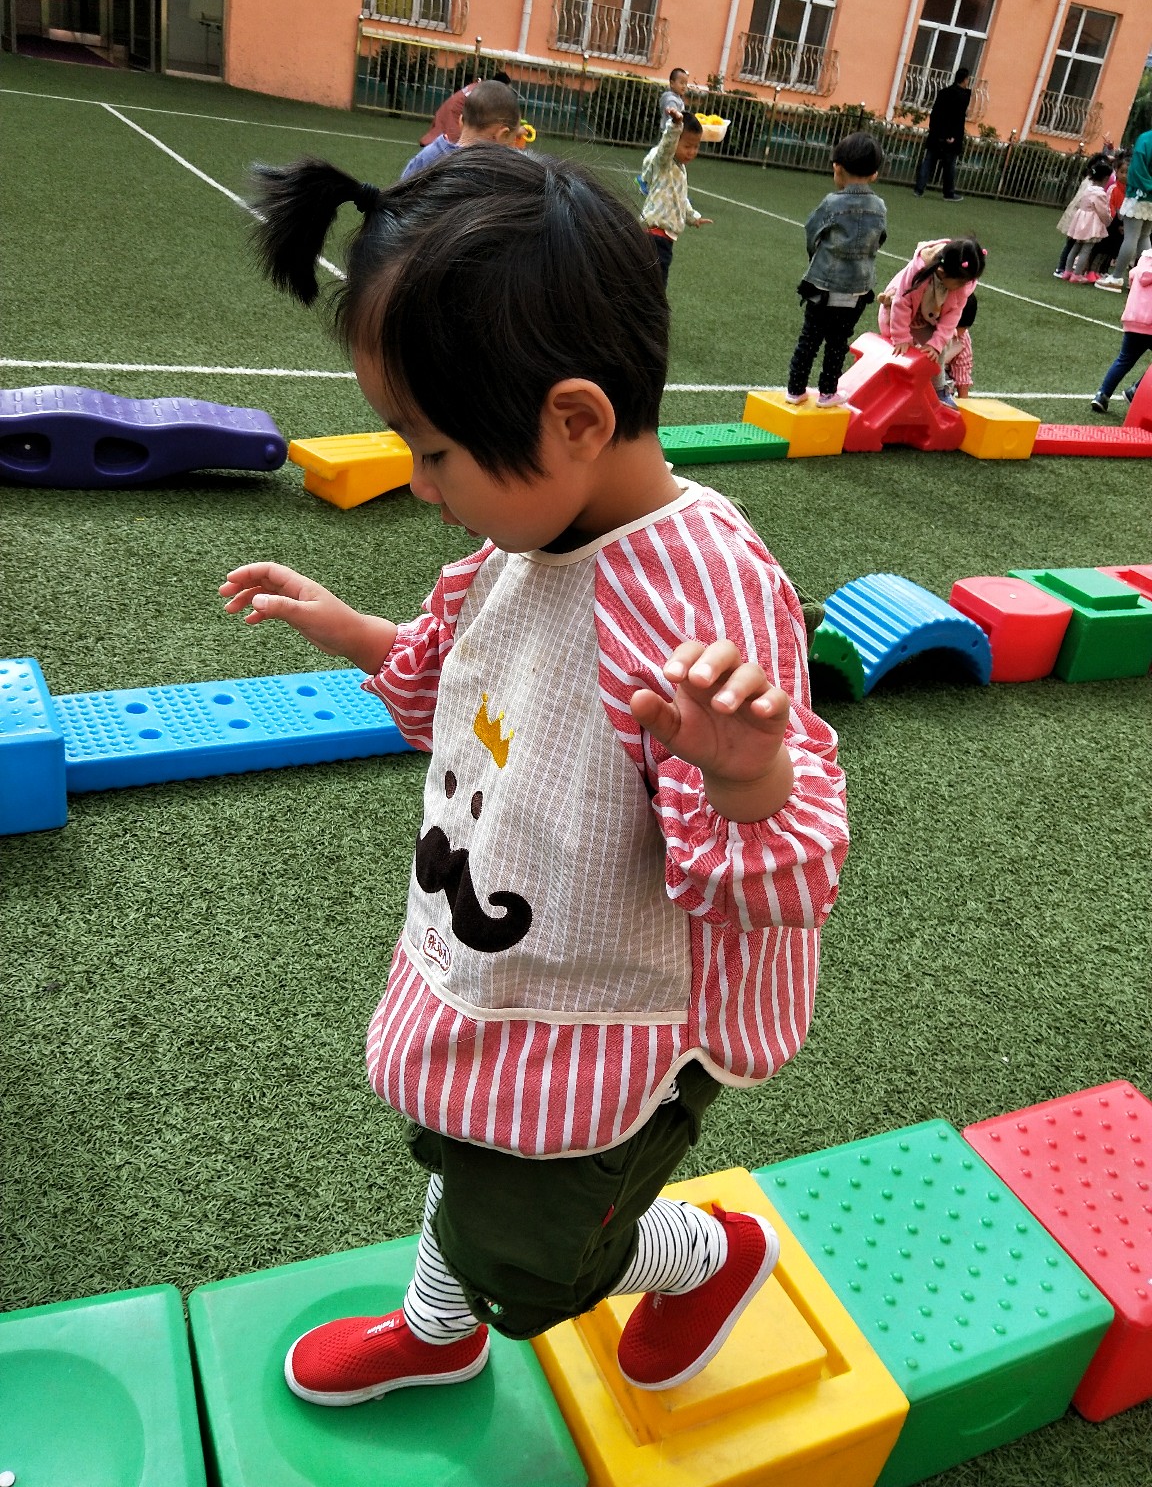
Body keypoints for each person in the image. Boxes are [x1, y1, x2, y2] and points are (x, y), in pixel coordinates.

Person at [223, 146, 849, 1408]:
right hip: (500, 956)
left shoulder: (700, 600)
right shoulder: (522, 545)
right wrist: (354, 630)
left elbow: (785, 878)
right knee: (466, 1148)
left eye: (433, 451)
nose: (420, 485)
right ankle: (436, 1329)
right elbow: (461, 684)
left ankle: (710, 1256)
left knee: (533, 1255)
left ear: (574, 420)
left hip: (620, 1020)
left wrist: (744, 774)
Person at [784, 131, 887, 407]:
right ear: (874, 174)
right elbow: (880, 238)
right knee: (838, 341)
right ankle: (828, 392)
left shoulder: (832, 203)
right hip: (858, 288)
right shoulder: (879, 206)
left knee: (810, 337)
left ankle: (795, 389)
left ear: (837, 168)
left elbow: (812, 231)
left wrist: (815, 257)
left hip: (823, 285)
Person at [877, 237, 986, 407]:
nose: (963, 286)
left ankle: (939, 390)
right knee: (899, 350)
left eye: (967, 282)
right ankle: (886, 385)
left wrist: (936, 343)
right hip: (897, 314)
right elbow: (901, 302)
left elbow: (953, 316)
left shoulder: (962, 285)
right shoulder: (918, 270)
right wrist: (901, 337)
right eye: (960, 282)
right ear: (942, 272)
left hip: (925, 319)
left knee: (938, 350)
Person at [639, 109, 712, 287]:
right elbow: (666, 146)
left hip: (663, 238)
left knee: (648, 281)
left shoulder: (680, 168)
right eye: (687, 146)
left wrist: (693, 217)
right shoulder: (664, 162)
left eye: (696, 147)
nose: (692, 152)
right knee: (656, 284)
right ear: (675, 142)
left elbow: (681, 198)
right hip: (656, 236)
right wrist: (675, 125)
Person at [400, 80, 523, 180]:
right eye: (512, 141)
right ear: (502, 135)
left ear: (460, 121)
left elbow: (399, 195)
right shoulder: (492, 175)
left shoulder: (427, 157)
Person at [1091, 246, 1152, 411]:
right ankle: (1135, 390)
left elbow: (1132, 279)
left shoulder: (1143, 261)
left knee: (1124, 359)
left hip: (1133, 319)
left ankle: (1102, 395)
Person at [1096, 128, 1152, 291]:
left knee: (1131, 237)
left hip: (1139, 194)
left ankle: (1117, 277)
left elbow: (1137, 170)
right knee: (1144, 236)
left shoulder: (1146, 139)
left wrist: (1144, 187)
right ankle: (1146, 276)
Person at [1053, 150, 1115, 277]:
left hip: (1078, 216)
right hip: (1086, 220)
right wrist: (1108, 220)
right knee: (1081, 248)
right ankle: (1070, 271)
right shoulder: (1098, 191)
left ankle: (1066, 270)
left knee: (1074, 245)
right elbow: (1101, 210)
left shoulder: (1088, 183)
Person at [913, 68, 971, 201]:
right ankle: (949, 193)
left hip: (936, 133)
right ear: (965, 79)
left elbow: (936, 114)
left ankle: (919, 189)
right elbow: (956, 118)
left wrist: (935, 131)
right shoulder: (961, 96)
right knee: (949, 165)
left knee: (929, 161)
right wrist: (951, 135)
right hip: (950, 136)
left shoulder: (944, 92)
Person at [419, 70, 513, 147]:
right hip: (454, 114)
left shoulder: (481, 87)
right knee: (453, 146)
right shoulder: (485, 93)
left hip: (450, 111)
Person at [943, 292, 977, 398]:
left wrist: (964, 402)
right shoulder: (924, 325)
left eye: (962, 329)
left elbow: (962, 371)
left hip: (937, 376)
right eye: (953, 327)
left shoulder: (962, 340)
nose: (955, 333)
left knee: (946, 383)